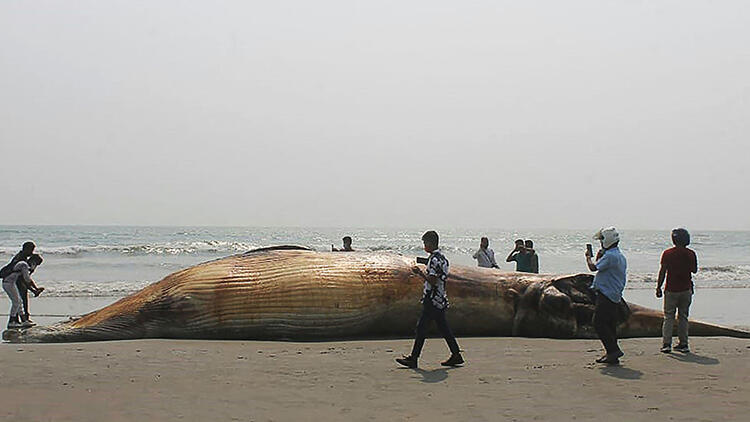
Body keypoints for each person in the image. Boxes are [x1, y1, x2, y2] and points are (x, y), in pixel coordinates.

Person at [396, 231, 464, 369]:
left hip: (432, 299)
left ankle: (413, 359)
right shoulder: (442, 258)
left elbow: (432, 280)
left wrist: (419, 273)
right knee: (443, 328)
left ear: (430, 243)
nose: (424, 246)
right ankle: (456, 355)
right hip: (440, 299)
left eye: (425, 243)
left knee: (421, 328)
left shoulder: (434, 260)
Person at [585, 227, 627, 364]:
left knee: (599, 323)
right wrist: (599, 257)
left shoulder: (610, 256)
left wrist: (588, 257)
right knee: (610, 324)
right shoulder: (618, 255)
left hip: (606, 294)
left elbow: (593, 268)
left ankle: (613, 350)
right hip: (614, 294)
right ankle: (611, 354)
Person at [656, 228, 698, 354]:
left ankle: (666, 344)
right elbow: (694, 270)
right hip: (686, 289)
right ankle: (683, 343)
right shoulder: (691, 253)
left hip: (671, 289)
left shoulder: (667, 253)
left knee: (669, 317)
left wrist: (658, 286)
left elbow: (663, 271)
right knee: (683, 317)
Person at [0, 241, 42, 320]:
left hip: (15, 281)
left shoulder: (22, 256)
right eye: (31, 250)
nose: (32, 252)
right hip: (15, 282)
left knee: (18, 301)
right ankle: (20, 319)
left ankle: (21, 318)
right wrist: (34, 289)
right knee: (20, 301)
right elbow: (25, 278)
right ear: (26, 249)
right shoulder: (22, 259)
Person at [3, 254, 45, 329]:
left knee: (19, 302)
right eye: (36, 264)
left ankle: (24, 320)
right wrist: (35, 289)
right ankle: (12, 322)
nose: (35, 266)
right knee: (16, 302)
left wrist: (35, 289)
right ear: (33, 262)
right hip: (8, 283)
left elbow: (26, 280)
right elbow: (27, 279)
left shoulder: (23, 264)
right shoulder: (24, 265)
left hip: (11, 283)